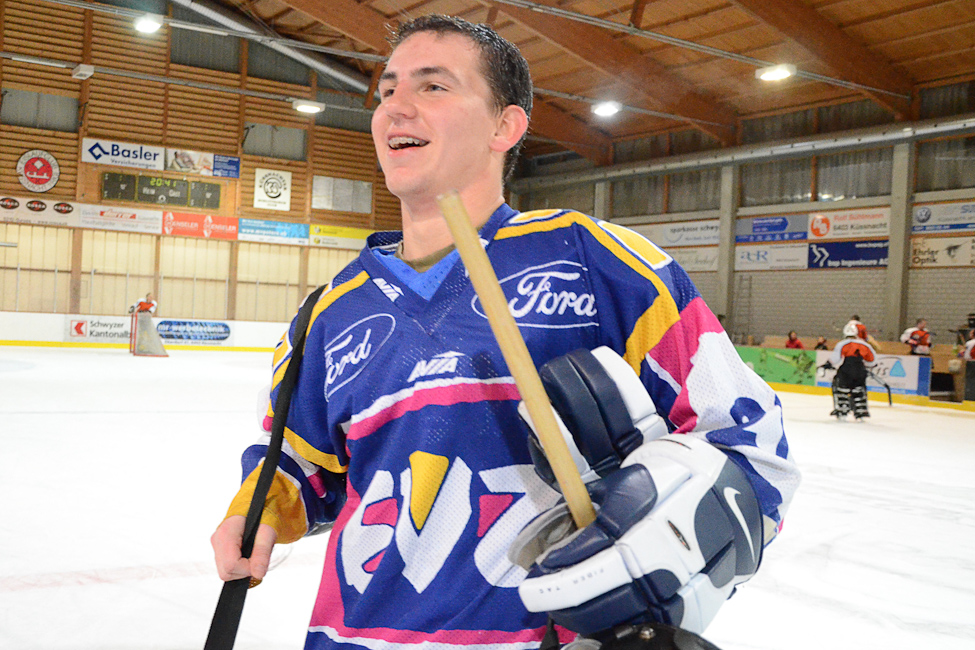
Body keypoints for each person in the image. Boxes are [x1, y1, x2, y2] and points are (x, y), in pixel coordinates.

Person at [210, 15, 799, 650]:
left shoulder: (594, 261)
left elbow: (750, 443)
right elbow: (302, 464)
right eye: (387, 91)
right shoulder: (327, 312)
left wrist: (663, 548)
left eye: (433, 86)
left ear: (505, 126)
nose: (396, 107)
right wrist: (260, 509)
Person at [824, 322, 877, 420]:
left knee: (841, 387)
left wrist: (828, 364)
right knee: (859, 389)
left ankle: (843, 408)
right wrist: (867, 365)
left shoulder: (842, 344)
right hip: (860, 370)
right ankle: (861, 410)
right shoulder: (865, 344)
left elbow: (836, 358)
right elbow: (872, 360)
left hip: (847, 370)